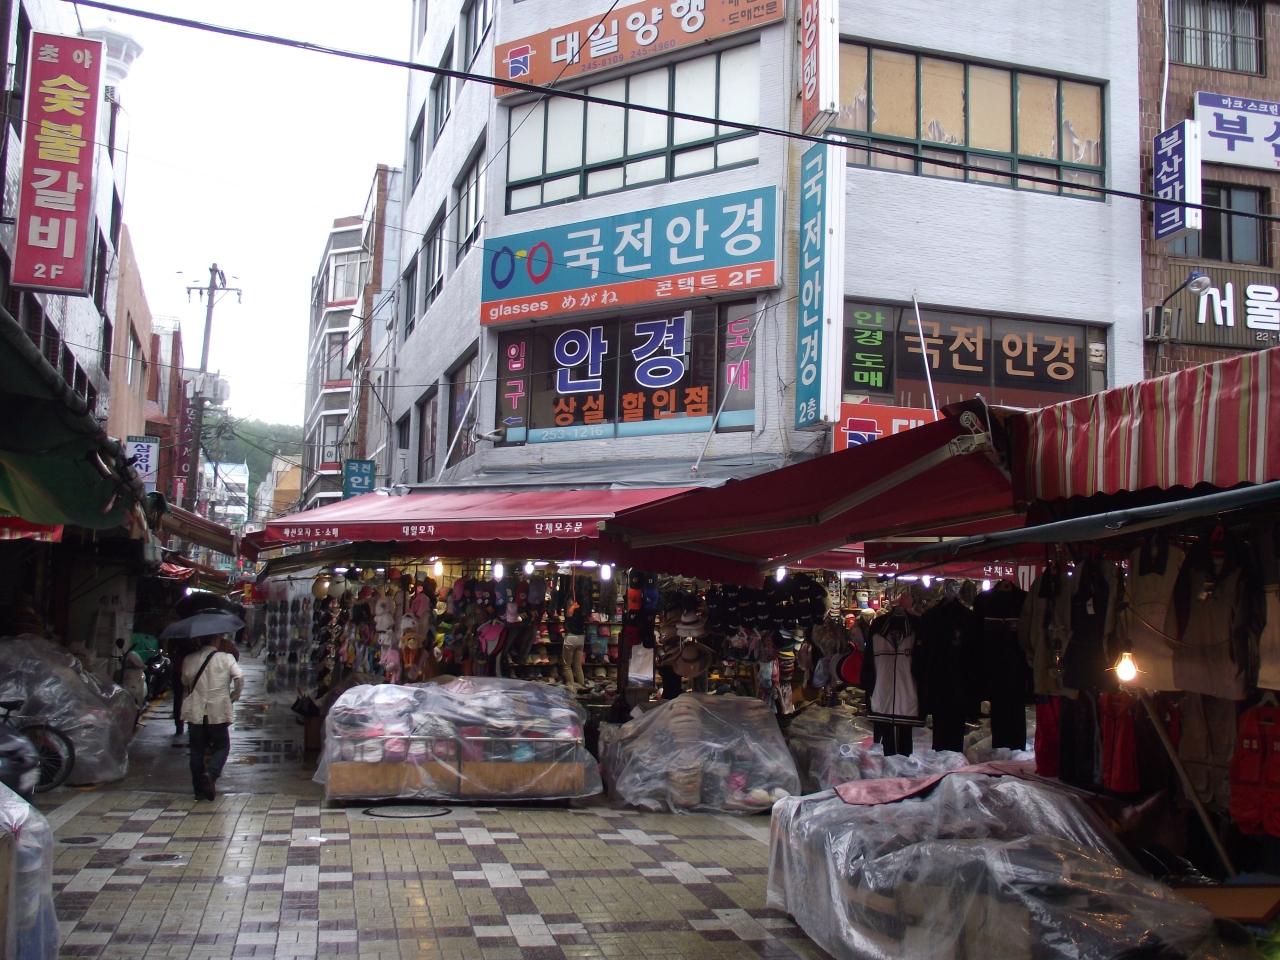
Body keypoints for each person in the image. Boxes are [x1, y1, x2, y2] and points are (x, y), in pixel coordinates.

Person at [181, 633, 244, 801]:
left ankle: (198, 791)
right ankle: (211, 773)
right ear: (216, 640)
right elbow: (239, 676)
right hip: (218, 712)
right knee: (222, 746)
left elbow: (185, 681)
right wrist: (234, 696)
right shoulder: (226, 658)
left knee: (196, 750)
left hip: (196, 711)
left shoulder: (189, 659)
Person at [562, 602, 587, 691]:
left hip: (571, 637)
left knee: (567, 666)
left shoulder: (570, 610)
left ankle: (572, 688)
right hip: (581, 637)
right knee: (578, 666)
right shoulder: (583, 611)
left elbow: (568, 619)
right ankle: (582, 687)